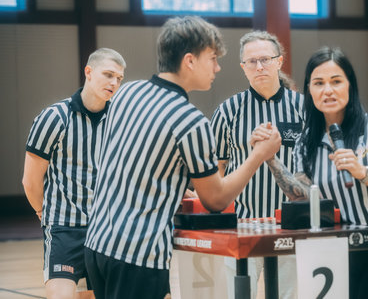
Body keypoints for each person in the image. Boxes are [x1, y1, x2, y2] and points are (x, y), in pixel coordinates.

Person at [83, 16, 281, 299]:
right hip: (138, 254)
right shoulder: (190, 121)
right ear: (190, 61)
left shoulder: (127, 92)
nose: (217, 67)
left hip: (97, 243)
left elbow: (140, 165)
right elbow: (216, 199)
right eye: (212, 58)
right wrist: (258, 155)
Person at [252, 46, 368, 299]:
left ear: (350, 86)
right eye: (318, 83)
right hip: (337, 248)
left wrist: (363, 172)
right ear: (310, 91)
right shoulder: (305, 141)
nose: (328, 90)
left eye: (336, 81)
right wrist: (270, 159)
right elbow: (302, 196)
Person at [22, 48, 126, 299]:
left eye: (119, 78)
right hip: (65, 228)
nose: (114, 83)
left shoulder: (120, 119)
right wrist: (42, 212)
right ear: (88, 72)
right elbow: (30, 180)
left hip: (106, 229)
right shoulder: (54, 117)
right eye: (108, 74)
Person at [210, 30, 304, 299]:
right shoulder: (228, 111)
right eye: (251, 61)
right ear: (243, 68)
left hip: (291, 226)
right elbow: (216, 170)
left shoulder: (303, 108)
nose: (259, 66)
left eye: (265, 59)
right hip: (242, 226)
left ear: (280, 61)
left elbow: (313, 169)